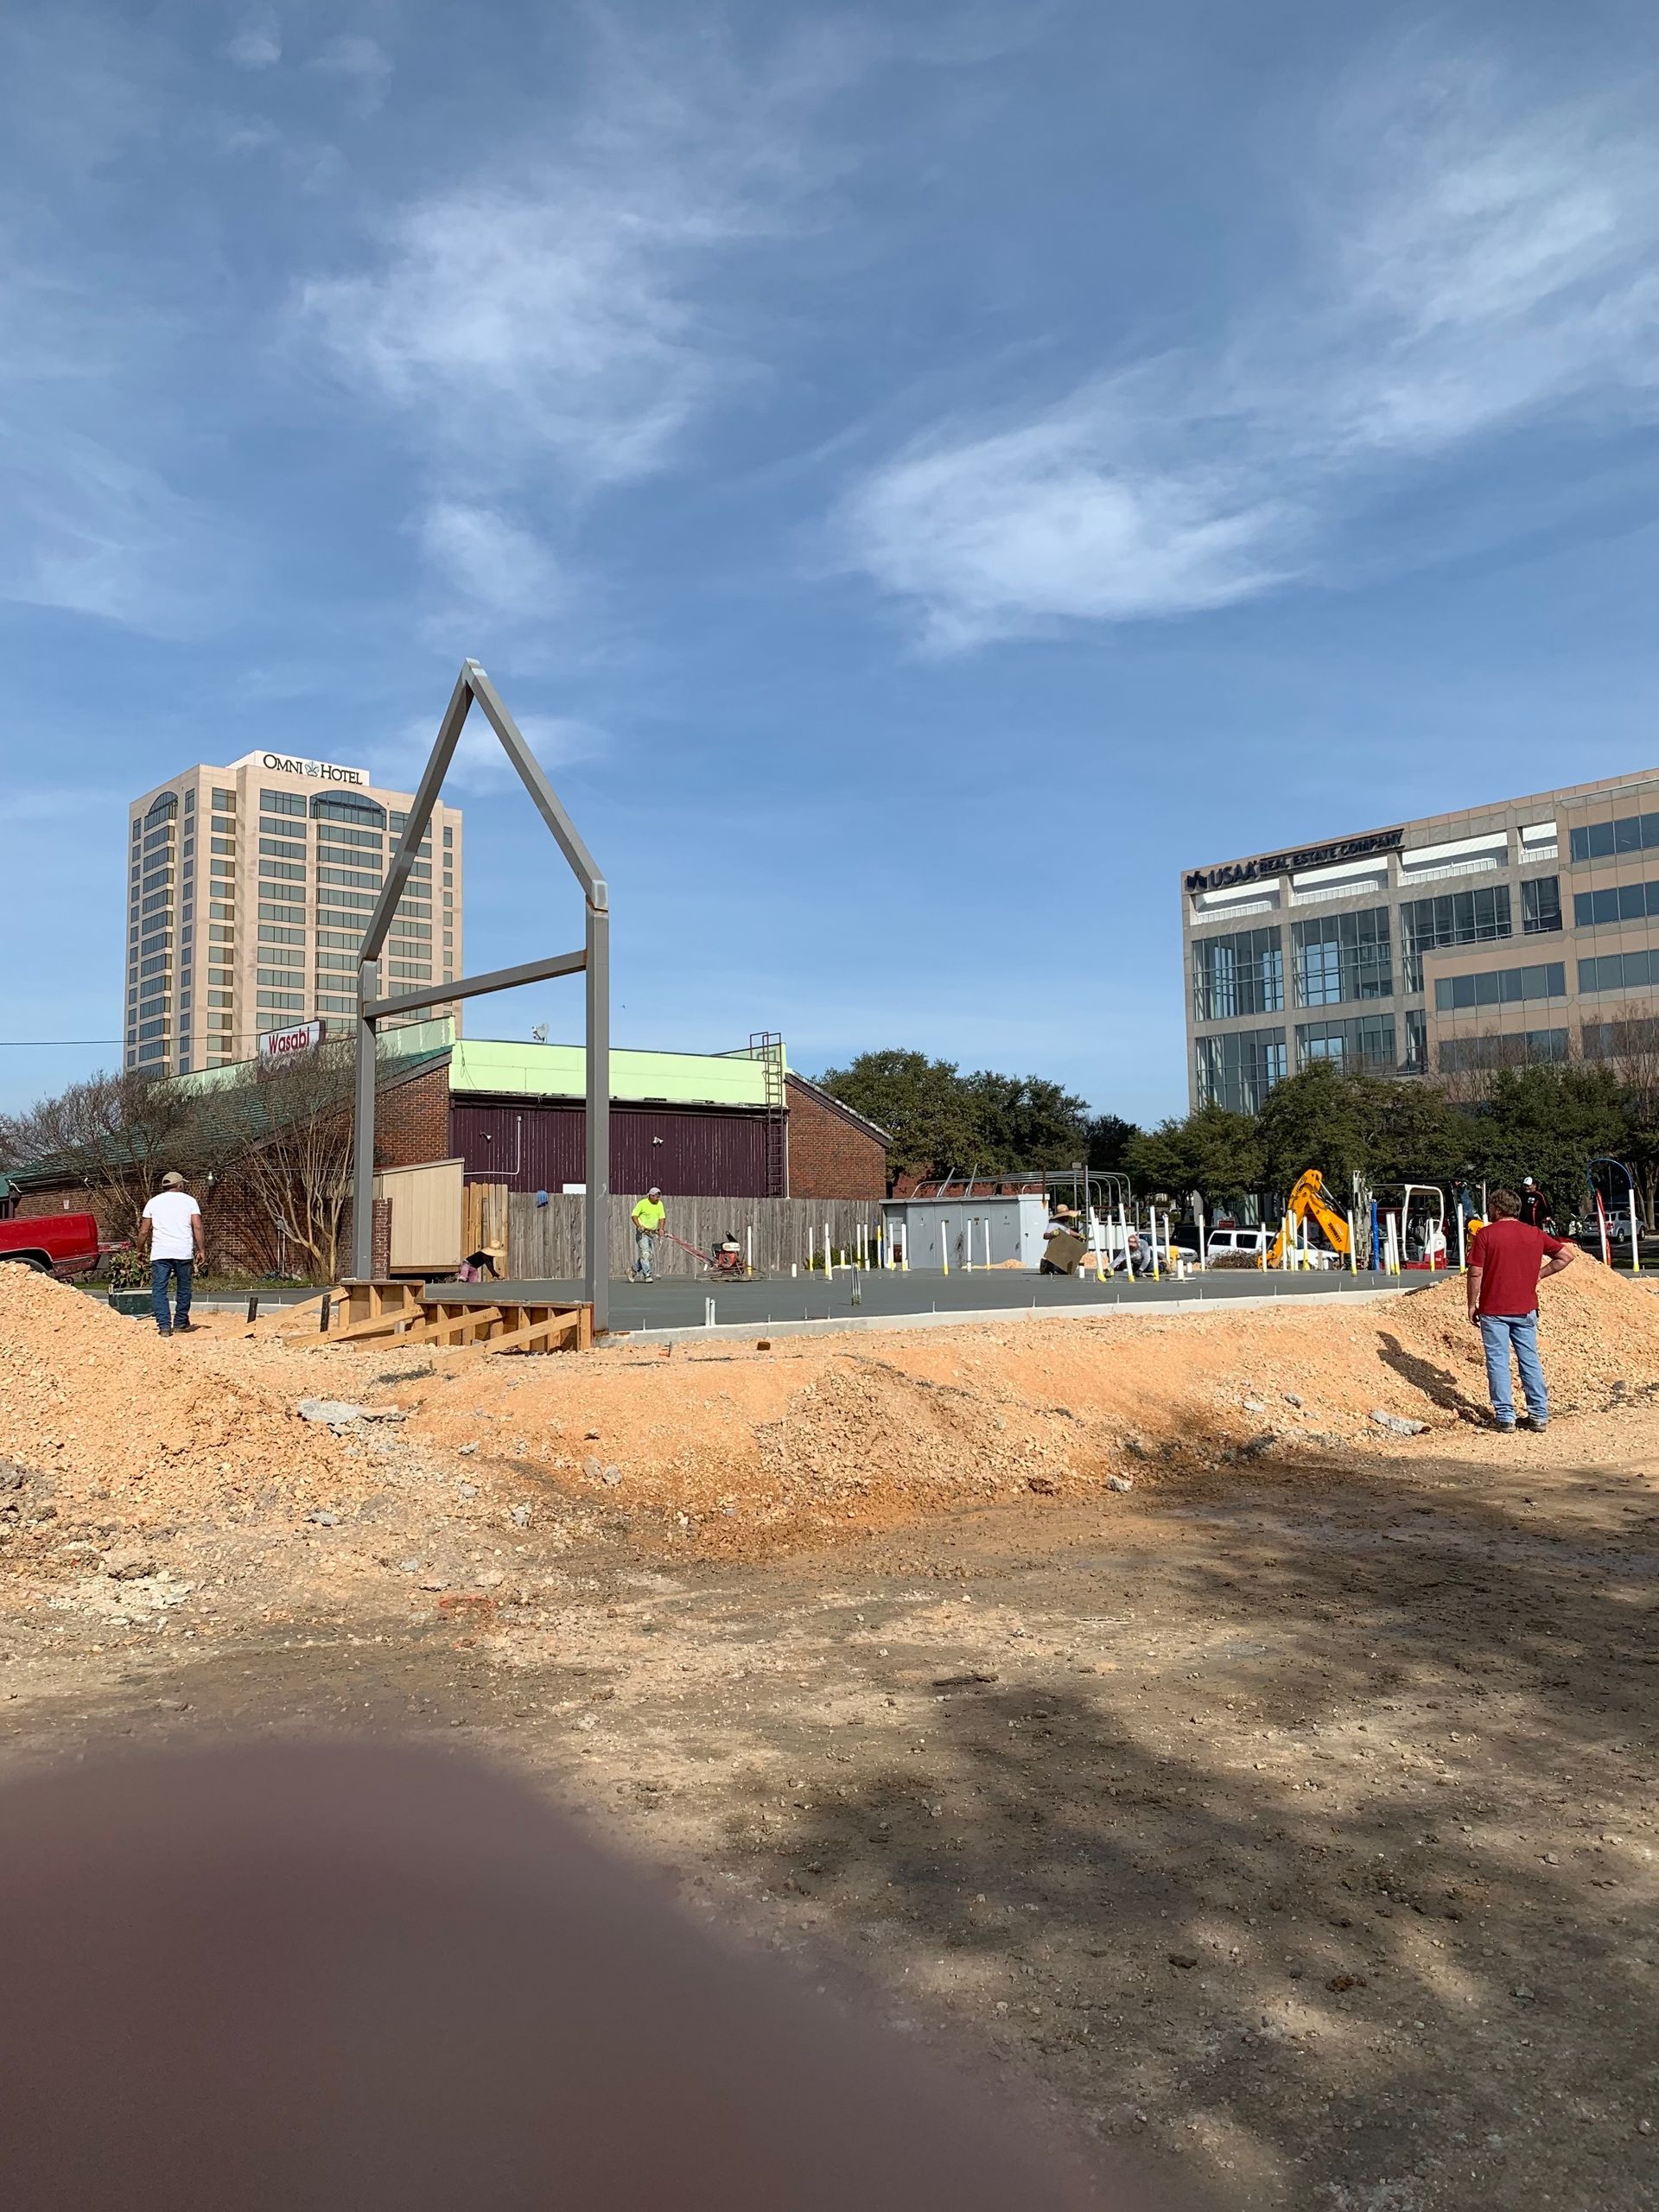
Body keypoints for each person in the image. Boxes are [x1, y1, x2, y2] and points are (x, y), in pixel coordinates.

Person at [1466, 1187, 1576, 1432]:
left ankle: (1505, 1417)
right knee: (1529, 1360)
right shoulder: (1535, 1234)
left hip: (1493, 1309)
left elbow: (1475, 1271)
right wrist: (1540, 1274)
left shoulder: (1485, 1235)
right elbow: (1566, 1256)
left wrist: (1471, 1304)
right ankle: (1539, 1414)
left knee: (1498, 1361)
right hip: (1526, 1308)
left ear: (1497, 1209)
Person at [139, 1170, 204, 1338]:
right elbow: (197, 1226)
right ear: (180, 1185)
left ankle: (164, 1326)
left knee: (159, 1289)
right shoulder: (190, 1201)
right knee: (184, 1287)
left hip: (160, 1252)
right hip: (183, 1251)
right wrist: (201, 1249)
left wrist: (139, 1249)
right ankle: (181, 1322)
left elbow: (144, 1230)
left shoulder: (153, 1202)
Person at [630, 1186, 665, 1281]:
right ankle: (647, 1275)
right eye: (656, 1196)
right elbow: (634, 1215)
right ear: (651, 1195)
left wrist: (661, 1229)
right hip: (643, 1233)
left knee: (649, 1256)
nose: (658, 1198)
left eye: (659, 1196)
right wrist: (638, 1226)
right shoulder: (642, 1203)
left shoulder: (660, 1204)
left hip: (652, 1233)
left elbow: (662, 1217)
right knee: (645, 1253)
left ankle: (633, 1270)